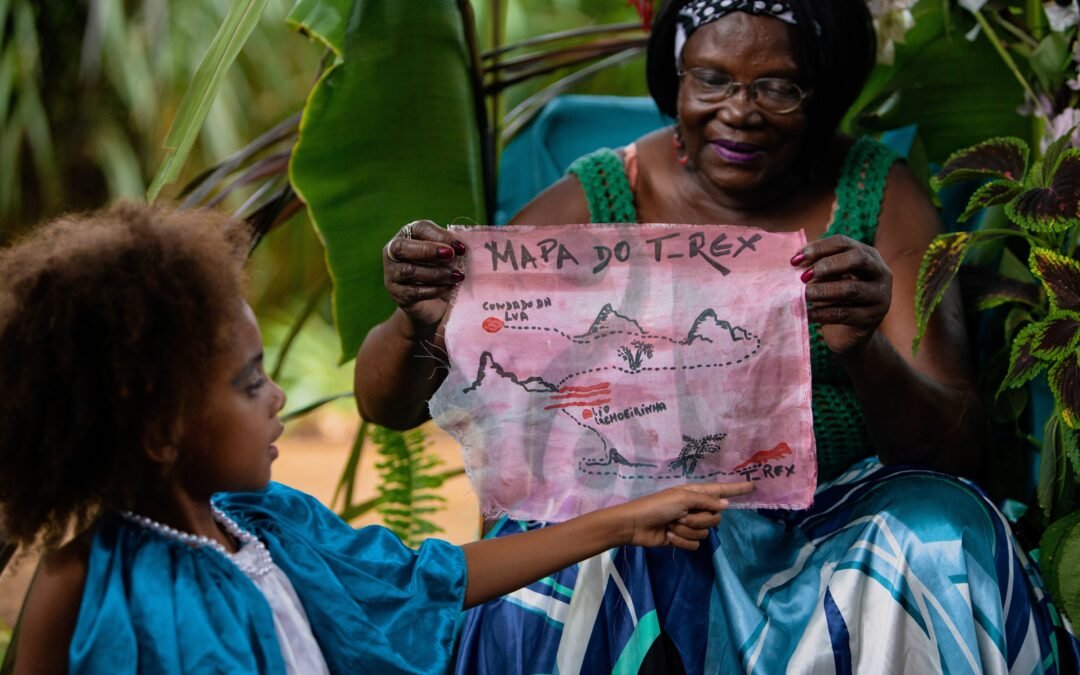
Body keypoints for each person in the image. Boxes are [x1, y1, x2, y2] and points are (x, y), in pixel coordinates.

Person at [355, 0, 1080, 672]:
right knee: (581, 555)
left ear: (822, 93)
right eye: (711, 79)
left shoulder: (874, 195)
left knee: (934, 533)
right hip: (633, 520)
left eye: (779, 87)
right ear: (675, 81)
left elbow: (959, 447)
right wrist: (417, 316)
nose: (740, 112)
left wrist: (865, 348)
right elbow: (385, 408)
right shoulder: (603, 197)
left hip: (831, 517)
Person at [0, 202, 755, 674]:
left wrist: (625, 520)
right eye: (250, 380)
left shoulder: (269, 527)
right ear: (161, 428)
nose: (278, 395)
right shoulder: (79, 582)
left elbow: (430, 579)